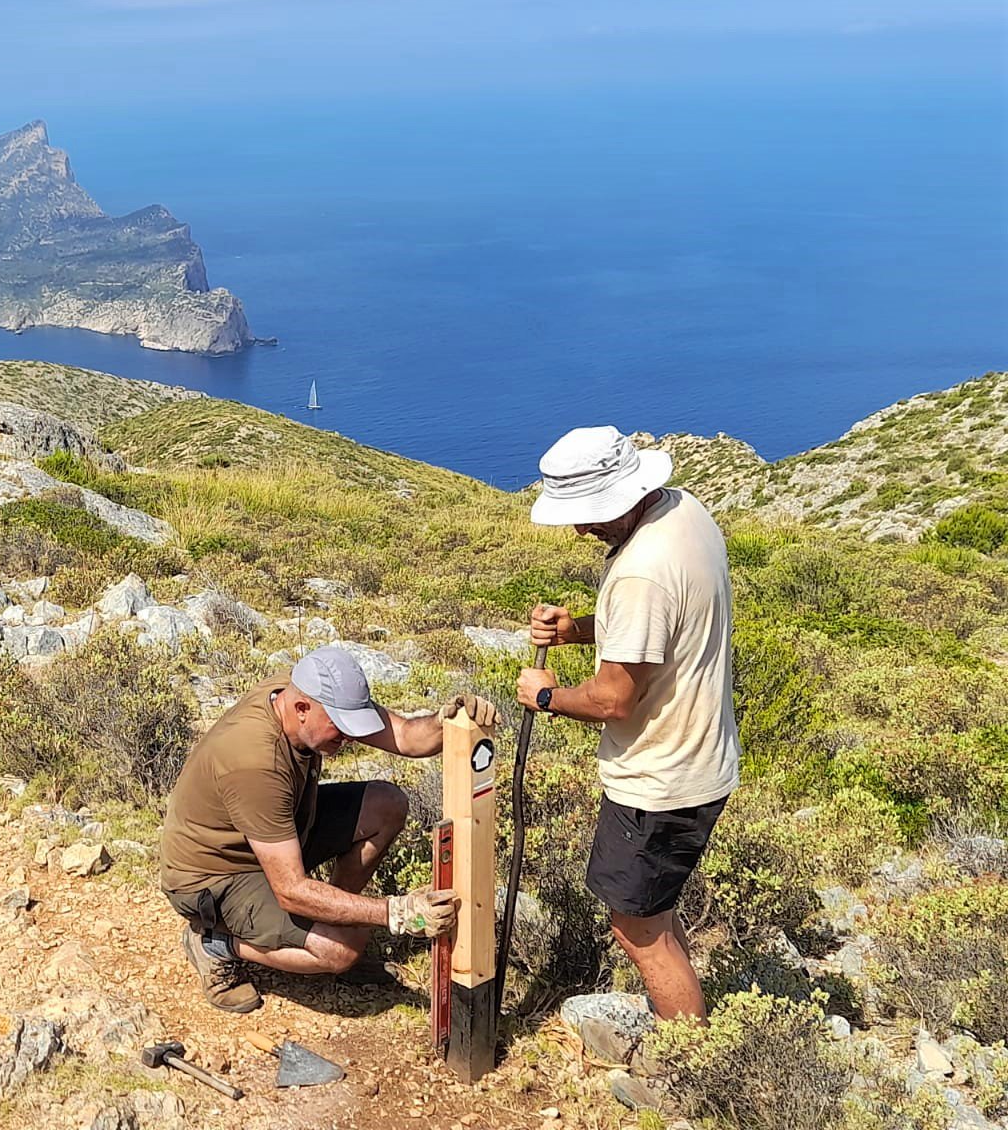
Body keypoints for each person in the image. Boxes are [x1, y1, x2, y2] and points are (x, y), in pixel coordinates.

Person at [517, 425, 739, 1023]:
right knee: (654, 919)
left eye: (591, 514)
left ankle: (689, 1064)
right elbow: (660, 625)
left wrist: (546, 695)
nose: (582, 529)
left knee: (637, 931)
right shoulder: (683, 510)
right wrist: (579, 629)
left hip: (660, 781)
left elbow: (615, 701)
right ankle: (690, 1036)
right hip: (700, 759)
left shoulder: (642, 571)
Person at [159, 645, 499, 1013]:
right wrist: (397, 913)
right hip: (216, 875)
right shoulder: (254, 764)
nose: (349, 738)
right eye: (340, 727)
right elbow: (291, 891)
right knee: (341, 949)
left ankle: (325, 923)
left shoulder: (293, 694)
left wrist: (442, 721)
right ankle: (214, 945)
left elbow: (406, 737)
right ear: (302, 709)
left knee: (385, 805)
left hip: (277, 833)